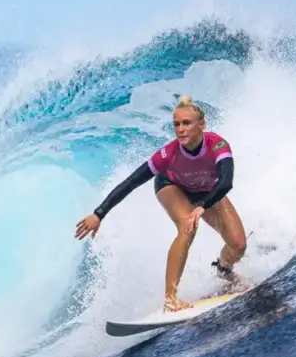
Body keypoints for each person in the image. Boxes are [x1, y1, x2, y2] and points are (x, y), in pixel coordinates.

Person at [74, 95, 248, 312]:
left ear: (201, 124)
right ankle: (170, 299)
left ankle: (223, 270)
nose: (181, 129)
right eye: (177, 124)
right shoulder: (168, 154)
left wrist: (202, 206)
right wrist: (99, 213)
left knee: (238, 244)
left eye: (187, 123)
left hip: (207, 191)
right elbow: (131, 183)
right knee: (187, 226)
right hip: (172, 186)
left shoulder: (218, 145)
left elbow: (225, 182)